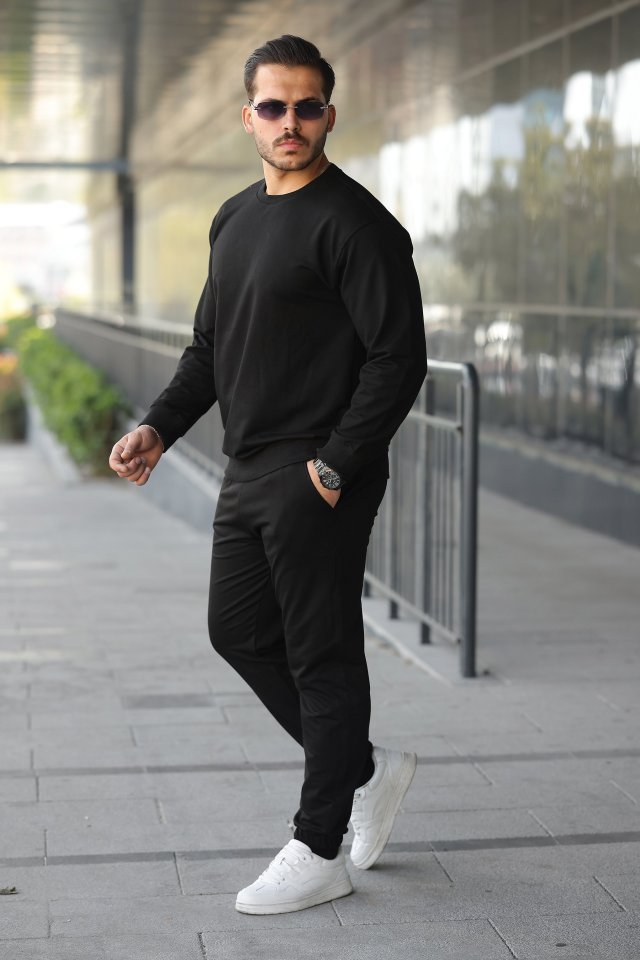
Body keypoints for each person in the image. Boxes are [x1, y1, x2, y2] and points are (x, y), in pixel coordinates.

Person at [109, 34, 427, 916]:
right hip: (247, 467)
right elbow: (211, 347)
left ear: (330, 113)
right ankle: (363, 770)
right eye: (275, 107)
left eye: (308, 106)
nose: (292, 122)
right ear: (246, 116)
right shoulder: (234, 218)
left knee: (322, 652)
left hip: (317, 471)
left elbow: (398, 358)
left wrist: (335, 464)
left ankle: (320, 847)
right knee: (238, 631)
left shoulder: (358, 225)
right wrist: (159, 426)